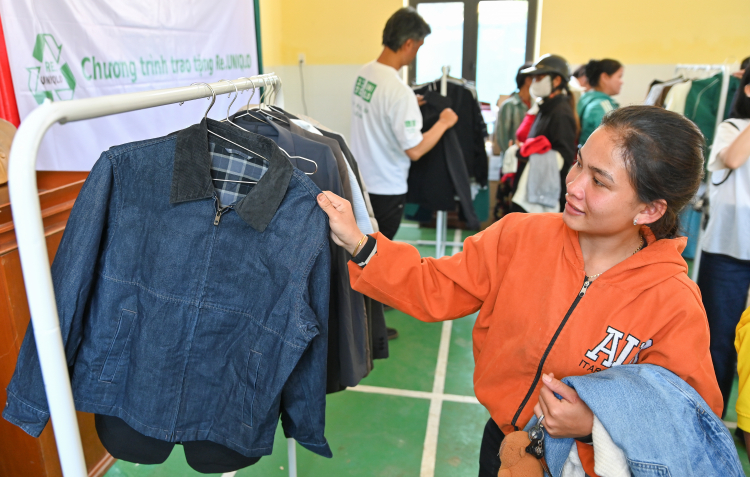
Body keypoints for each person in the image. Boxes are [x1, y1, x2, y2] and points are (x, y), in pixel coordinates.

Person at [317, 105, 721, 477]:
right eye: (579, 163)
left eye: (599, 181)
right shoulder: (520, 235)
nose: (574, 185)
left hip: (585, 464)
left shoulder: (673, 302)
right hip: (504, 446)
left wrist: (591, 425)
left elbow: (686, 420)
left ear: (649, 209)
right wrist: (361, 244)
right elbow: (437, 285)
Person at [350, 7, 458, 338]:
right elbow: (415, 149)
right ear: (409, 43)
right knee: (374, 257)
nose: (417, 53)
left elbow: (381, 113)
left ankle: (370, 311)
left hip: (360, 180)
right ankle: (371, 329)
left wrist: (409, 106)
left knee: (362, 248)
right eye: (419, 46)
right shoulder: (399, 92)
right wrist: (444, 122)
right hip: (387, 187)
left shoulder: (365, 74)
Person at [698, 66, 750, 416]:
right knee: (719, 338)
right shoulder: (732, 127)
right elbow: (732, 159)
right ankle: (712, 417)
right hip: (727, 251)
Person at [513, 54, 578, 212]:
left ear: (556, 81)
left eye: (539, 78)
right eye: (534, 78)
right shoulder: (546, 106)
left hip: (544, 194)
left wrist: (527, 152)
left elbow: (563, 156)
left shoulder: (561, 112)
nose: (534, 82)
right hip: (532, 185)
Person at [577, 59, 623, 145]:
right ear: (604, 77)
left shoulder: (586, 99)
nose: (621, 82)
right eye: (619, 76)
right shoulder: (602, 107)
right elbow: (613, 142)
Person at [494, 63, 532, 154]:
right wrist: (511, 157)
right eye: (537, 78)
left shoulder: (536, 105)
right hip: (514, 158)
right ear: (528, 80)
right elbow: (502, 138)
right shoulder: (509, 105)